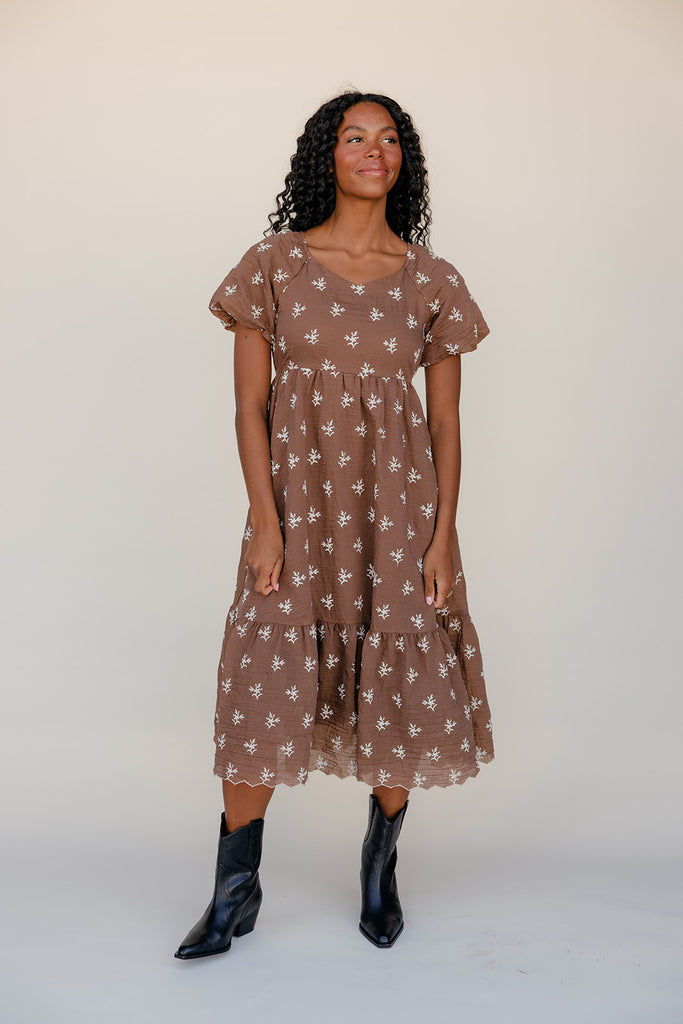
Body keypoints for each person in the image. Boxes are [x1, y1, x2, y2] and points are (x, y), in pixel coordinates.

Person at [174, 90, 495, 960]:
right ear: (327, 154)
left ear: (403, 162)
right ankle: (233, 891)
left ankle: (380, 868)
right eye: (354, 136)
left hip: (399, 516)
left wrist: (442, 535)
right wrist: (264, 522)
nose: (372, 150)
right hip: (296, 512)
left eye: (388, 139)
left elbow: (445, 424)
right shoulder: (273, 264)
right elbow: (248, 407)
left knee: (397, 671)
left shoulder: (433, 280)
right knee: (263, 679)